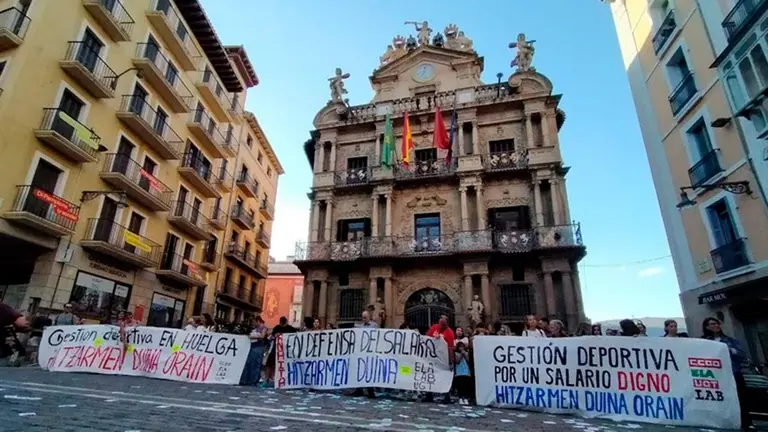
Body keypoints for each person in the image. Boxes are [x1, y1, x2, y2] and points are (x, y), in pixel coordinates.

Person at [701, 317, 753, 430]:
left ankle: (747, 423)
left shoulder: (729, 340)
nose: (716, 326)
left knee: (741, 398)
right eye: (712, 324)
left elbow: (741, 354)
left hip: (733, 373)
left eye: (717, 323)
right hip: (715, 375)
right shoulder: (704, 342)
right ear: (707, 327)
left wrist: (730, 350)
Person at [424, 315, 454, 404]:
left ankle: (447, 396)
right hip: (432, 358)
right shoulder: (434, 328)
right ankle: (429, 395)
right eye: (441, 323)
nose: (442, 325)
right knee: (429, 376)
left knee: (445, 377)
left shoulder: (450, 333)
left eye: (444, 323)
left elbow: (450, 348)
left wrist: (451, 361)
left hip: (443, 359)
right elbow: (426, 340)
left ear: (447, 323)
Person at [353, 311, 378, 398]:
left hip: (370, 353)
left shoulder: (374, 325)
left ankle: (370, 391)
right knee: (360, 370)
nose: (364, 319)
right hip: (362, 352)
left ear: (369, 317)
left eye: (365, 317)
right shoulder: (361, 326)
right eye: (363, 317)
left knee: (369, 372)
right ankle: (359, 390)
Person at [265, 316, 297, 385]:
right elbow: (273, 335)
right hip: (277, 349)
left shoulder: (289, 328)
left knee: (275, 365)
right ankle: (268, 379)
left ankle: (270, 380)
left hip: (283, 350)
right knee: (270, 364)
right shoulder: (278, 327)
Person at [241, 316, 267, 386]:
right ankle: (246, 380)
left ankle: (253, 380)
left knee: (256, 364)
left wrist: (253, 337)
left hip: (258, 347)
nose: (254, 324)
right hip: (253, 347)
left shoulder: (263, 328)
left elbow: (262, 336)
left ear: (258, 321)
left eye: (254, 322)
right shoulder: (255, 329)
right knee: (249, 363)